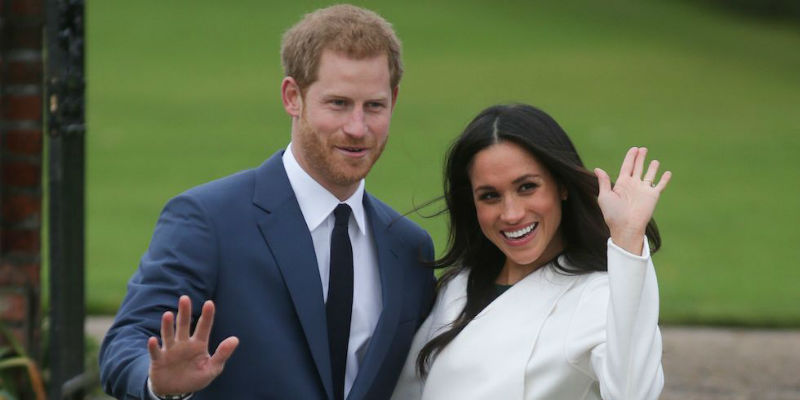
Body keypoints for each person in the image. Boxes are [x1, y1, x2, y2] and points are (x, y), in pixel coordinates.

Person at [99, 5, 435, 399]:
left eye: (374, 106)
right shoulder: (208, 220)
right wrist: (157, 383)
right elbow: (129, 339)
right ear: (293, 97)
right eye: (338, 103)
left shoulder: (410, 248)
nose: (357, 128)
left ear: (394, 100)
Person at [391, 104, 670, 400]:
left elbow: (634, 392)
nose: (511, 214)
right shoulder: (456, 287)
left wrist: (627, 238)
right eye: (489, 196)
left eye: (526, 187)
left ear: (561, 186)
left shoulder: (597, 295)